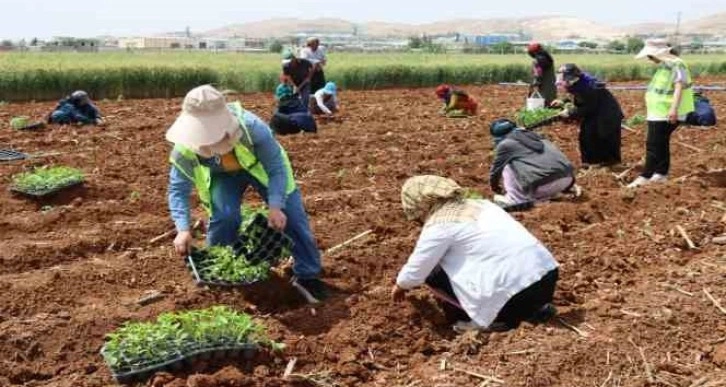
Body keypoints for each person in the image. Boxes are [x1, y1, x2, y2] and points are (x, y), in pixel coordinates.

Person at [166, 85, 327, 302]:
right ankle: (222, 272)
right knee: (224, 217)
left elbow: (275, 168)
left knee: (292, 216)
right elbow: (178, 188)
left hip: (261, 169)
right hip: (222, 176)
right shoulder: (185, 146)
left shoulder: (252, 128)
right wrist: (183, 229)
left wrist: (276, 205)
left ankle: (308, 275)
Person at [392, 175, 560, 332]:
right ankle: (535, 309)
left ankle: (489, 320)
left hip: (512, 298)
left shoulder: (439, 225)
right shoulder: (482, 204)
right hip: (546, 277)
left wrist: (400, 285)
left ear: (420, 204)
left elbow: (417, 271)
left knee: (433, 273)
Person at [628, 39, 695, 188]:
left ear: (660, 52)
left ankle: (646, 176)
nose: (650, 59)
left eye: (651, 56)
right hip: (658, 110)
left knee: (653, 144)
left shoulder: (677, 64)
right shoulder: (666, 64)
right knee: (661, 142)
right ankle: (660, 174)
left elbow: (679, 87)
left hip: (665, 112)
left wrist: (673, 109)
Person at [488, 118, 578, 207]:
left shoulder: (506, 144)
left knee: (507, 165)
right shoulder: (536, 136)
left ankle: (516, 199)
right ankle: (549, 195)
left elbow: (496, 171)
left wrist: (495, 188)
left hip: (542, 187)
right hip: (567, 180)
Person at [553, 64, 624, 167]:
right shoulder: (578, 83)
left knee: (604, 135)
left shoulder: (589, 86)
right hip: (595, 112)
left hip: (607, 113)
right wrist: (563, 101)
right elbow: (578, 98)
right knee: (587, 135)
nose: (563, 81)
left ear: (572, 77)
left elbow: (587, 107)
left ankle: (610, 163)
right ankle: (591, 162)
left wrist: (569, 112)